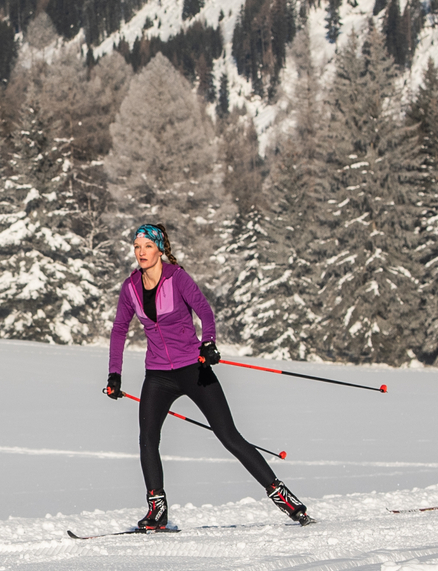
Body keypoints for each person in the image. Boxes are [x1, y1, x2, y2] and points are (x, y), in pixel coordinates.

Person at [104, 222, 312, 529]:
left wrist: (209, 343)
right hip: (158, 374)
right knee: (147, 439)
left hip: (194, 368)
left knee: (229, 437)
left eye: (148, 246)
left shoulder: (177, 277)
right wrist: (114, 374)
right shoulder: (131, 287)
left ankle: (283, 497)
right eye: (137, 247)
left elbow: (204, 311)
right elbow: (120, 329)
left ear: (160, 249)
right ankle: (157, 510)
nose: (141, 252)